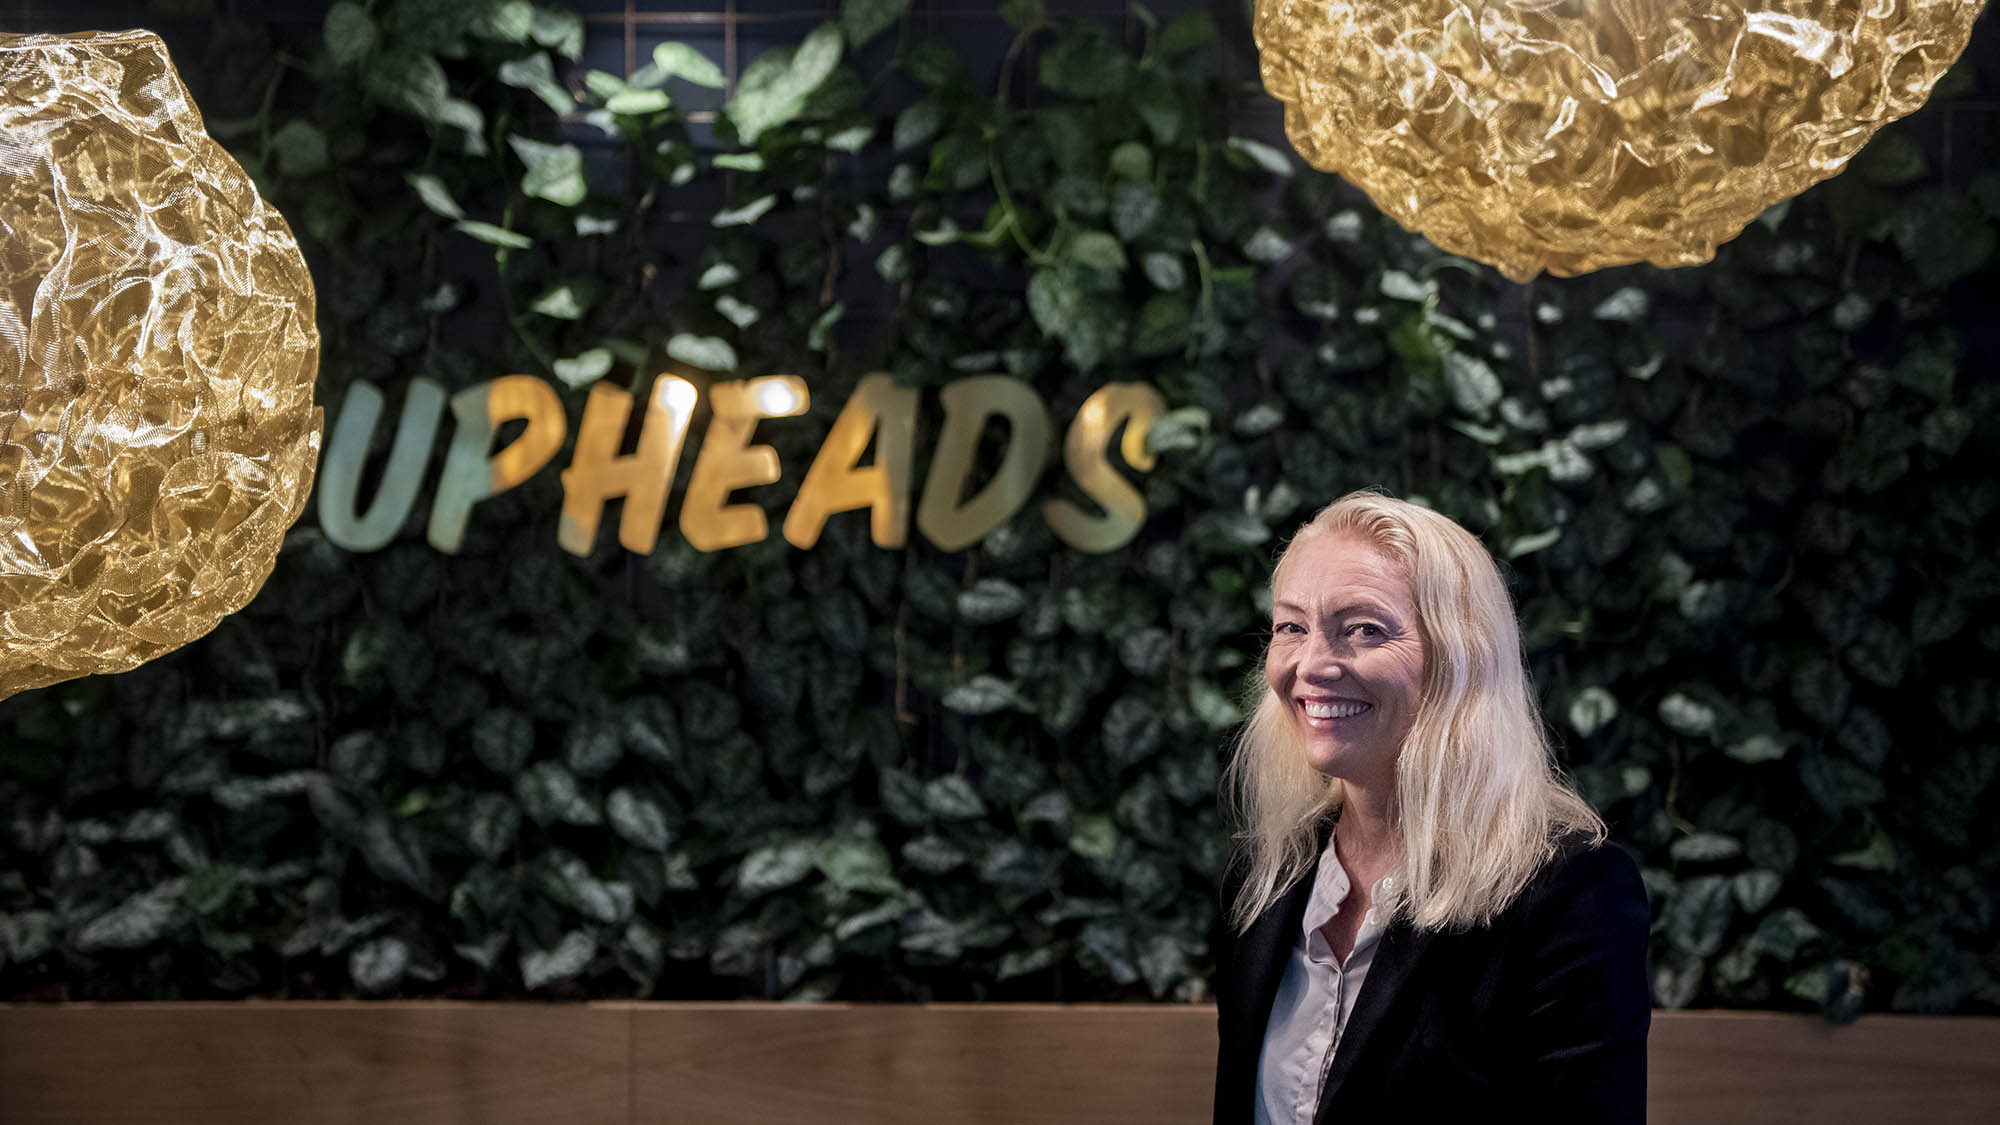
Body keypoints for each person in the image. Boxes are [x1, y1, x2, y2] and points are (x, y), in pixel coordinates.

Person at [1211, 490, 1651, 1124]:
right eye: (1292, 627)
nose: (1311, 665)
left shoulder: (1569, 893)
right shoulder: (1265, 878)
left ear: (1461, 657)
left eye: (1364, 629)